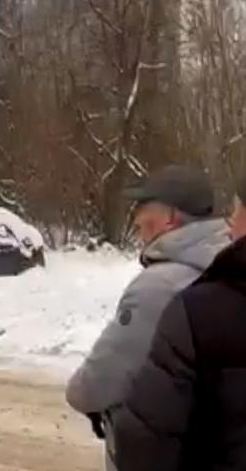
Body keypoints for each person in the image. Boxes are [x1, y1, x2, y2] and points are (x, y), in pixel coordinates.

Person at [66, 165, 228, 470]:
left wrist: (83, 397)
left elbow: (98, 381)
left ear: (170, 217)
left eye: (144, 207)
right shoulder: (228, 267)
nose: (137, 217)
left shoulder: (158, 286)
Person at [115, 177, 246, 471]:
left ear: (170, 218)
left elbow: (145, 435)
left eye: (237, 213)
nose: (230, 225)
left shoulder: (191, 304)